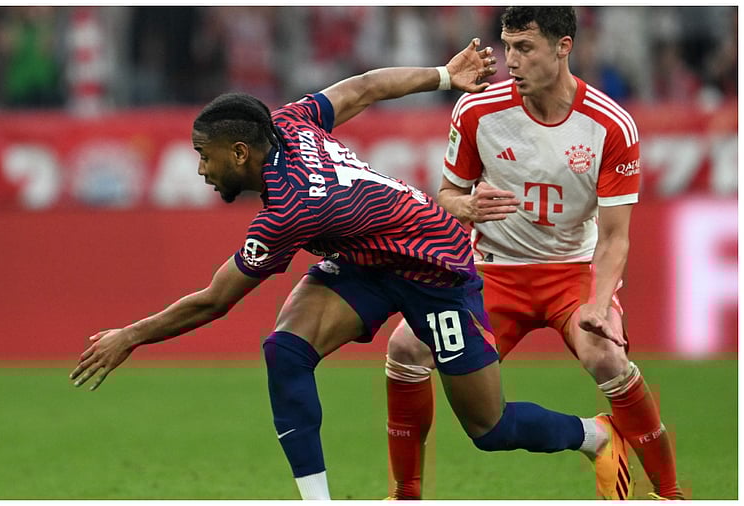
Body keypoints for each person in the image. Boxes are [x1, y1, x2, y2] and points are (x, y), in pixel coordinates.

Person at [71, 39, 621, 500]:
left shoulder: (288, 209)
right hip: (365, 261)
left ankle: (594, 436)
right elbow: (362, 88)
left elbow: (216, 300)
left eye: (204, 155)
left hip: (436, 268)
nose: (200, 169)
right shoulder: (286, 122)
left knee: (489, 428)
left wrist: (131, 336)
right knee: (285, 350)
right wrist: (440, 75)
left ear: (240, 153)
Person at [384, 7, 683, 500]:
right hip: (491, 274)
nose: (511, 61)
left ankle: (670, 495)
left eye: (524, 48)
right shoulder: (477, 110)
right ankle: (406, 495)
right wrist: (469, 205)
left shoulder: (610, 125)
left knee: (607, 356)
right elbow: (446, 196)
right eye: (507, 47)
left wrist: (599, 303)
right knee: (405, 349)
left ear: (563, 46)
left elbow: (613, 237)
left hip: (573, 273)